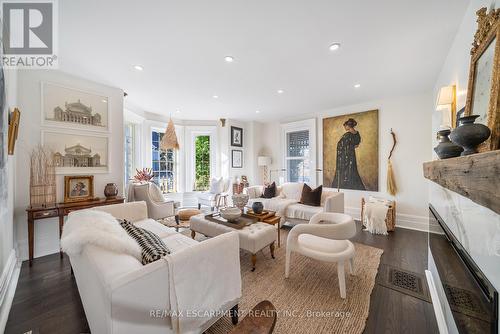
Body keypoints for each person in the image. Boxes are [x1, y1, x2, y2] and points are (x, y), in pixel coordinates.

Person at [331, 118, 366, 190]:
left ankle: (345, 185)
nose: (344, 127)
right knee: (352, 169)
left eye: (345, 126)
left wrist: (345, 148)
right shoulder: (357, 134)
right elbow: (356, 145)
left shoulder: (347, 135)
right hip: (351, 155)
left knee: (345, 170)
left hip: (344, 156)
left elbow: (340, 145)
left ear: (348, 126)